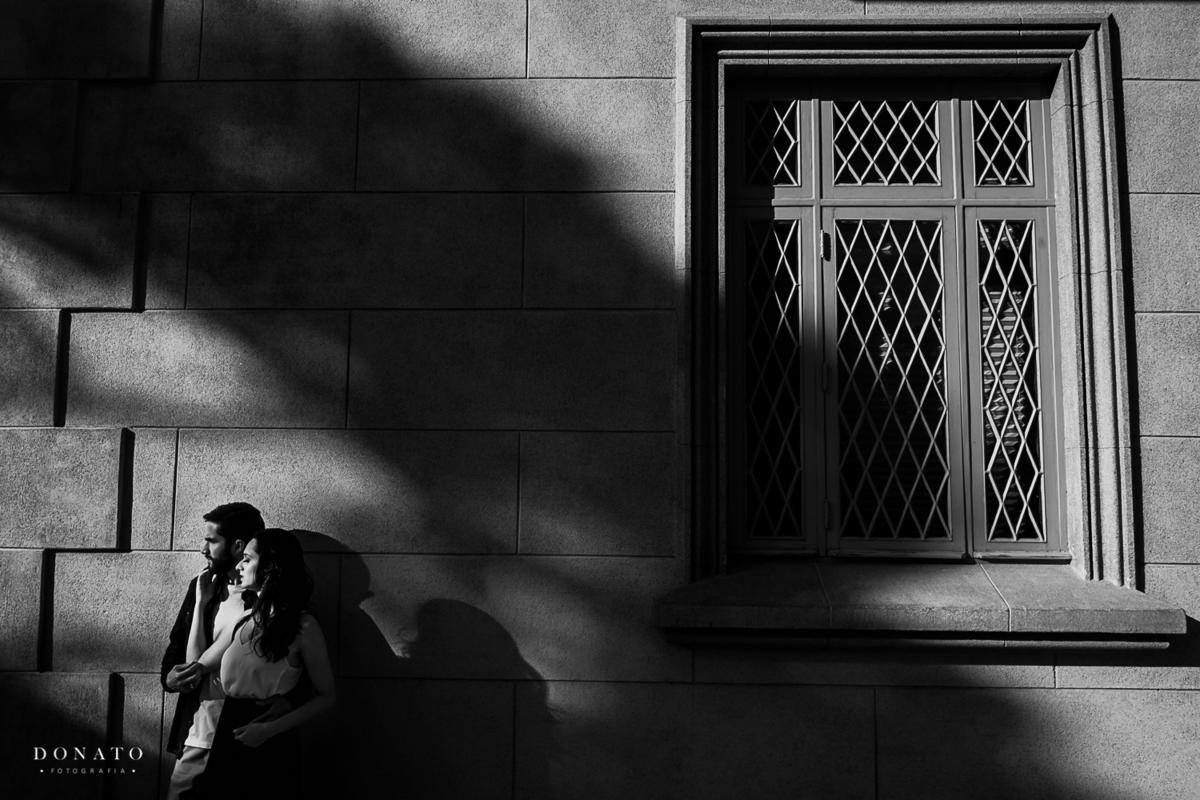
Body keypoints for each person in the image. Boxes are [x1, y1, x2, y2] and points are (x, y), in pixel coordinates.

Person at [187, 528, 336, 795]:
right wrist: (200, 603)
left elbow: (326, 696)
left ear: (269, 567)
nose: (239, 564)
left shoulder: (303, 625)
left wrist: (270, 730)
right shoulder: (243, 619)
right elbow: (195, 666)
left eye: (247, 558)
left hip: (270, 738)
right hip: (227, 730)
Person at [161, 502, 267, 800]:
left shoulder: (266, 599)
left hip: (241, 735)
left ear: (237, 546)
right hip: (197, 731)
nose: (202, 550)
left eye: (210, 541)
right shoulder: (202, 585)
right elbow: (177, 647)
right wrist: (168, 678)